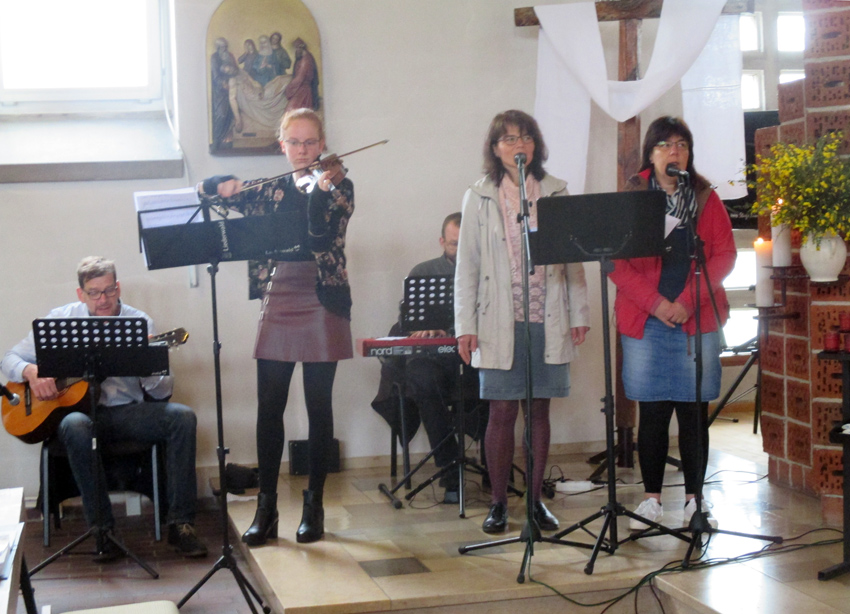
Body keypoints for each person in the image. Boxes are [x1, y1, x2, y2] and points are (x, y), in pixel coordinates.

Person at [198, 108, 354, 546]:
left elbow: (322, 237)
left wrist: (322, 189)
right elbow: (208, 197)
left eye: (310, 142)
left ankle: (314, 505)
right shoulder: (267, 190)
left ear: (321, 144)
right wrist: (218, 183)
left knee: (318, 406)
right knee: (270, 405)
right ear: (281, 146)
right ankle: (266, 511)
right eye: (295, 143)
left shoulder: (341, 185)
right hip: (281, 291)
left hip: (323, 295)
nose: (303, 150)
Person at [0, 257, 208, 560]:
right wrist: (31, 372)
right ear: (80, 293)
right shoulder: (61, 319)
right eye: (94, 292)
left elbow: (161, 392)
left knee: (182, 417)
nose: (103, 299)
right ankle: (102, 530)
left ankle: (181, 525)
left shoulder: (139, 322)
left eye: (109, 291)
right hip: (79, 417)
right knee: (74, 424)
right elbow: (8, 358)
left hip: (125, 414)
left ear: (118, 286)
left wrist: (150, 363)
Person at [454, 110, 590, 534]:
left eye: (526, 138)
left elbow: (572, 263)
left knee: (539, 410)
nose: (519, 145)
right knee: (501, 411)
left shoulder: (555, 192)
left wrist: (579, 313)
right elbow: (467, 267)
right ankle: (498, 502)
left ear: (536, 145)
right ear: (496, 148)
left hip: (546, 315)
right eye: (509, 139)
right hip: (498, 320)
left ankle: (533, 502)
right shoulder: (478, 196)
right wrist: (465, 325)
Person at [609, 116, 736, 531]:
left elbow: (723, 256)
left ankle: (695, 502)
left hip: (694, 320)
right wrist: (658, 304)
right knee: (654, 410)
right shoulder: (631, 198)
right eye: (664, 145)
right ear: (650, 153)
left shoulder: (703, 197)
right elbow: (616, 262)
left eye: (681, 145)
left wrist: (685, 302)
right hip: (647, 322)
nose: (673, 152)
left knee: (693, 413)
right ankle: (650, 501)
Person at [374, 213, 481, 504]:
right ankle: (450, 468)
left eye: (465, 244)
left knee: (497, 377)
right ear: (442, 241)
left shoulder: (486, 271)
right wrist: (421, 326)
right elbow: (405, 321)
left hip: (473, 354)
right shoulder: (423, 271)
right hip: (432, 357)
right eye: (453, 244)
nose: (459, 250)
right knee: (421, 379)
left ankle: (494, 465)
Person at [284, 38, 319, 112]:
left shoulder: (305, 60)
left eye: (296, 49)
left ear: (300, 48)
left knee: (290, 111)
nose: (295, 51)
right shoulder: (303, 58)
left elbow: (300, 77)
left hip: (303, 91)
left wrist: (289, 89)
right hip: (301, 88)